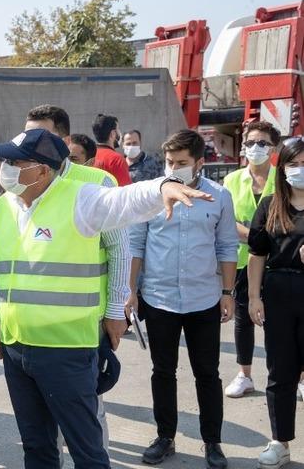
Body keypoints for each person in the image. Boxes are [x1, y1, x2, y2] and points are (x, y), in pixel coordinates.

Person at [0, 128, 211, 469]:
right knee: (36, 447)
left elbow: (125, 202)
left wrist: (162, 186)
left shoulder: (81, 199)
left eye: (15, 162)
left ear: (43, 170)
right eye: (4, 160)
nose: (5, 168)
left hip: (66, 350)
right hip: (16, 348)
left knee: (86, 451)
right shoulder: (2, 206)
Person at [128, 129, 237, 468]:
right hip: (159, 298)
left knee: (208, 373)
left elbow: (227, 246)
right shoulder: (152, 196)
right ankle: (165, 437)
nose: (173, 169)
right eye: (169, 162)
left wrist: (227, 292)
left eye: (181, 163)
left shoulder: (219, 197)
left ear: (200, 163)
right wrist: (130, 291)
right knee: (163, 371)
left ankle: (213, 443)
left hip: (204, 298)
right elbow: (136, 245)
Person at [25, 107, 128, 458]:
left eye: (41, 137)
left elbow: (119, 250)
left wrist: (115, 310)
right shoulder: (26, 182)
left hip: (85, 324)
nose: (31, 145)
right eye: (27, 137)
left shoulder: (97, 183)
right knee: (44, 431)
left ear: (66, 142)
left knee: (88, 420)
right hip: (34, 329)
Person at [247, 137, 304, 469]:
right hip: (279, 292)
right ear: (281, 168)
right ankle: (280, 440)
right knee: (280, 371)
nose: (299, 170)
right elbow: (257, 254)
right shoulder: (270, 205)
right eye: (293, 164)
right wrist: (254, 297)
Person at [223, 121, 279, 398]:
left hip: (280, 261)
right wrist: (257, 238)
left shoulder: (284, 177)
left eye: (262, 143)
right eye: (250, 143)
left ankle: (294, 374)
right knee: (244, 318)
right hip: (243, 260)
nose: (255, 148)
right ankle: (245, 374)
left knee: (282, 320)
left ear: (274, 148)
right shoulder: (232, 180)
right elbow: (226, 220)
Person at [91, 114, 132, 186]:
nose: (120, 133)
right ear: (112, 134)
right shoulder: (116, 159)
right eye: (118, 129)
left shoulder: (88, 156)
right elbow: (126, 192)